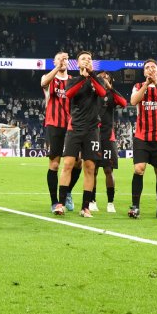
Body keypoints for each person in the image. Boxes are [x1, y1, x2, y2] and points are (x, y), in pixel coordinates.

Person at [56, 51, 106, 216]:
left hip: (92, 130)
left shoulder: (98, 80)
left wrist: (90, 75)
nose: (87, 60)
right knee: (68, 164)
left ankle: (85, 207)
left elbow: (102, 93)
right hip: (75, 128)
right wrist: (84, 78)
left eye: (90, 59)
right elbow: (69, 94)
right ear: (77, 64)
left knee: (90, 167)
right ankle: (61, 204)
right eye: (84, 58)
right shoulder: (73, 81)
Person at [128, 59, 157, 219]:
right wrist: (147, 85)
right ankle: (135, 207)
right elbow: (133, 101)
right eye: (147, 68)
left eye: (153, 68)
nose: (150, 70)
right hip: (142, 137)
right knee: (139, 169)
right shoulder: (138, 87)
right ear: (143, 72)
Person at [40, 52, 78, 210]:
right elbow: (43, 83)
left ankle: (67, 191)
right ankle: (54, 201)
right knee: (54, 164)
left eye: (66, 59)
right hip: (54, 125)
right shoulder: (50, 78)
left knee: (78, 163)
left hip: (72, 126)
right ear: (54, 61)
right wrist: (57, 67)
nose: (63, 61)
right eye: (60, 58)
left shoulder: (73, 81)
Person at [93, 71, 128, 215]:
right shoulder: (93, 93)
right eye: (100, 76)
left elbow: (124, 103)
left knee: (108, 170)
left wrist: (110, 87)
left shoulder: (112, 96)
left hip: (108, 137)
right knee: (92, 170)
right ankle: (91, 201)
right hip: (93, 135)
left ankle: (110, 202)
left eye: (106, 77)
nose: (103, 77)